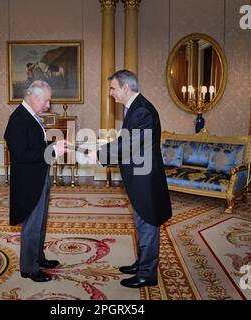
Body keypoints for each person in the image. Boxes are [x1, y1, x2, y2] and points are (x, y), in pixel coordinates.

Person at [96, 69, 172, 288]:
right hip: (140, 176)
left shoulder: (141, 111)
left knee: (147, 222)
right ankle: (142, 263)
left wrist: (100, 153)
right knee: (141, 220)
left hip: (145, 178)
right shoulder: (135, 108)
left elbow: (128, 144)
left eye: (113, 88)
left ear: (125, 87)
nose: (110, 93)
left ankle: (147, 274)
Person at [4, 80, 68, 282]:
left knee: (40, 222)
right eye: (47, 101)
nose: (48, 105)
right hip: (28, 182)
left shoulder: (30, 116)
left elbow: (34, 144)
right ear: (35, 98)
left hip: (38, 177)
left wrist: (54, 144)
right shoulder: (18, 119)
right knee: (32, 225)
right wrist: (51, 150)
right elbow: (21, 153)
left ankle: (38, 258)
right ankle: (29, 268)